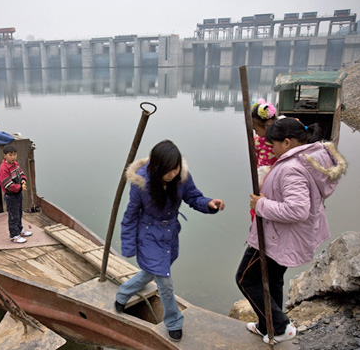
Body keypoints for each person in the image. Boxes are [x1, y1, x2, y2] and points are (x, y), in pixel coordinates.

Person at [236, 117, 347, 344]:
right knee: (273, 280)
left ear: (286, 142)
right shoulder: (307, 159)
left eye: (274, 144)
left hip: (277, 236)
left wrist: (261, 205)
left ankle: (279, 326)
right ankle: (267, 325)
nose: (272, 149)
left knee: (246, 279)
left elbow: (298, 210)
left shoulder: (292, 168)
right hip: (287, 235)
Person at [114, 140, 225, 342]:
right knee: (164, 281)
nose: (173, 174)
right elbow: (131, 215)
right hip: (148, 234)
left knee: (152, 271)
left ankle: (123, 294)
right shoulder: (141, 184)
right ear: (157, 168)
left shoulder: (182, 177)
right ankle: (174, 322)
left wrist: (209, 203)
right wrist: (129, 245)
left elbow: (193, 197)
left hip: (170, 234)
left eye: (176, 169)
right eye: (169, 171)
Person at [0, 143, 32, 243]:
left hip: (18, 194)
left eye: (14, 154)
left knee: (19, 213)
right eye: (10, 155)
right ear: (5, 156)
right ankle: (14, 235)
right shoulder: (3, 169)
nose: (13, 157)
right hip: (11, 196)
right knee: (13, 216)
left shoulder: (15, 164)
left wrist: (23, 180)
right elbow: (8, 185)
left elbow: (21, 173)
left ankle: (20, 230)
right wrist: (20, 187)